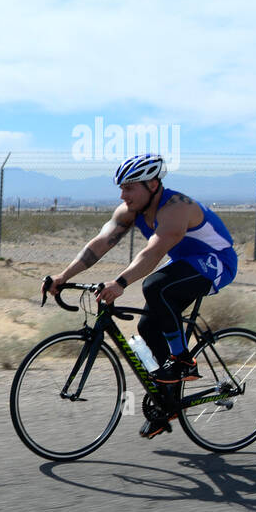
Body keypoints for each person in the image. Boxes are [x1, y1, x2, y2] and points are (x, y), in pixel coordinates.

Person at [45, 154, 238, 438]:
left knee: (155, 285)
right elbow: (99, 244)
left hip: (216, 262)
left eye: (129, 187)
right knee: (148, 325)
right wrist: (63, 276)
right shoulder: (130, 210)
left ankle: (182, 360)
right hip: (186, 263)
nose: (123, 194)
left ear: (152, 184)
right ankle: (168, 402)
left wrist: (121, 282)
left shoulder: (176, 207)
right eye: (121, 187)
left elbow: (153, 254)